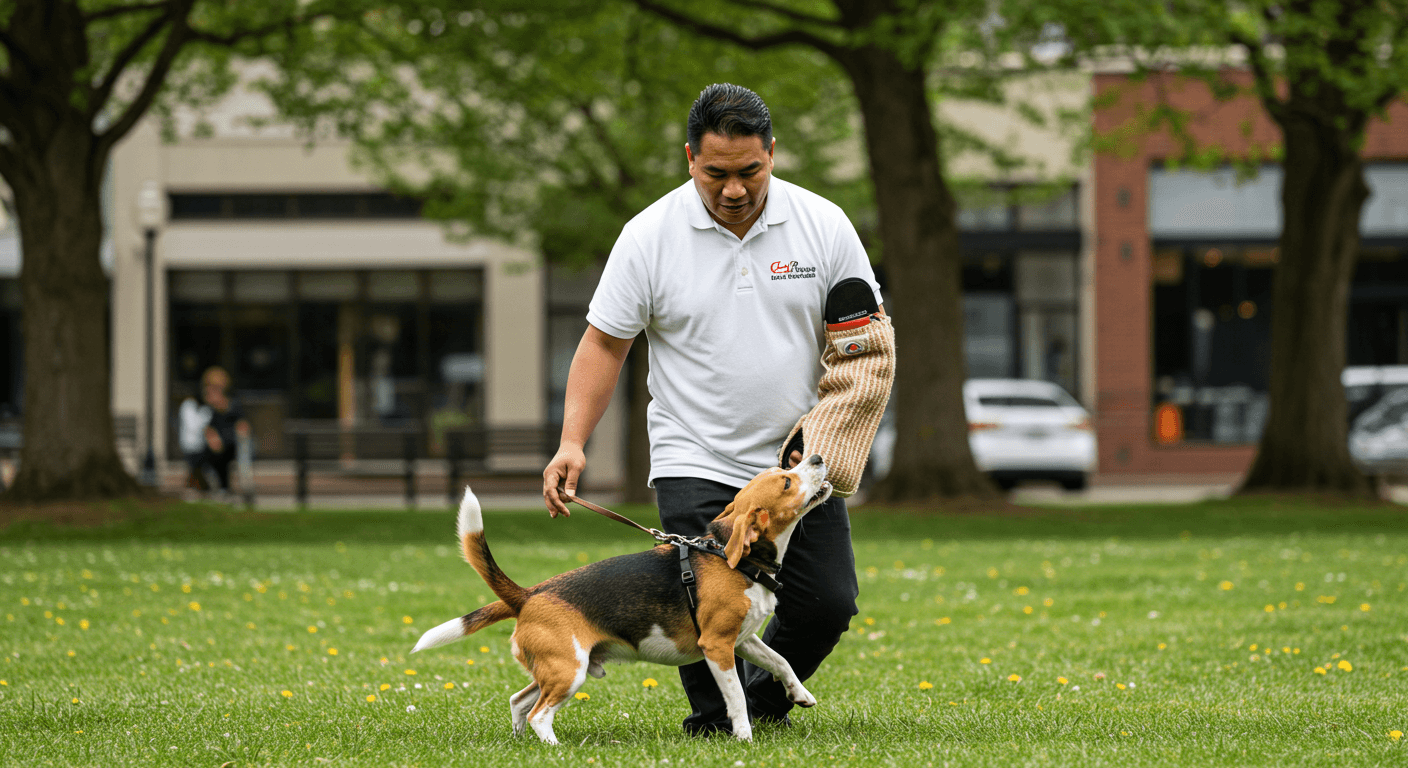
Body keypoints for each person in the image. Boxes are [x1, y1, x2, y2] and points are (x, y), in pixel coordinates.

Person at [542, 83, 886, 736]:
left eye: (749, 171)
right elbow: (604, 343)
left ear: (772, 153)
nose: (733, 189)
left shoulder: (824, 225)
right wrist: (572, 441)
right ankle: (719, 722)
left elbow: (864, 345)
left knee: (827, 603)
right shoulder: (648, 236)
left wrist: (837, 431)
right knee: (701, 605)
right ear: (689, 159)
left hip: (794, 463)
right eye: (715, 173)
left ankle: (757, 707)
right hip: (692, 453)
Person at [199, 366, 251, 498]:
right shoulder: (205, 409)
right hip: (214, 447)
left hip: (232, 443)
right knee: (212, 456)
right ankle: (219, 488)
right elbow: (205, 428)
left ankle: (246, 486)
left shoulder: (233, 404)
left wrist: (242, 433)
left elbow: (242, 424)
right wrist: (212, 437)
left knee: (243, 447)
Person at [177, 394, 212, 493]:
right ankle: (192, 487)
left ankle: (197, 487)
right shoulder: (188, 406)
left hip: (199, 444)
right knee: (194, 467)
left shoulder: (201, 408)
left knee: (198, 467)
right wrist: (205, 415)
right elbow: (193, 426)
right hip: (190, 444)